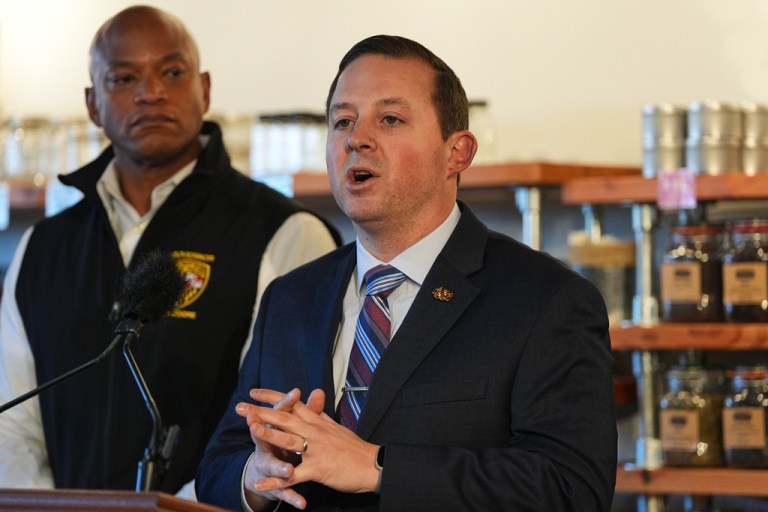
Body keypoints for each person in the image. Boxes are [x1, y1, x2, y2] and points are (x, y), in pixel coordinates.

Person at [196, 34, 617, 512]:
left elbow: (571, 489)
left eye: (390, 119)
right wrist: (255, 475)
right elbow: (217, 466)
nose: (357, 138)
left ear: (457, 152)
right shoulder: (290, 297)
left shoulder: (547, 300)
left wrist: (376, 467)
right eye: (342, 121)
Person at [0, 5, 339, 497]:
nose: (151, 92)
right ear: (93, 104)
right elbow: (13, 422)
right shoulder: (42, 248)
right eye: (123, 77)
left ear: (204, 89)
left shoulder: (285, 232)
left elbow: (285, 420)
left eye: (172, 72)